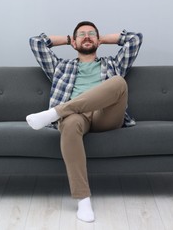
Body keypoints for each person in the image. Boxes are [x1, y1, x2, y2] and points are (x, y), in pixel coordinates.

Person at [26, 21, 143, 222]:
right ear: (74, 42)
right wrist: (67, 40)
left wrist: (102, 38)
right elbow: (36, 42)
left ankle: (55, 112)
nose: (87, 36)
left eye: (91, 34)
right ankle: (83, 199)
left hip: (105, 115)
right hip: (77, 118)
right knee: (70, 123)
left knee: (118, 82)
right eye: (81, 35)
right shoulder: (61, 67)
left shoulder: (113, 64)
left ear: (98, 40)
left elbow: (135, 39)